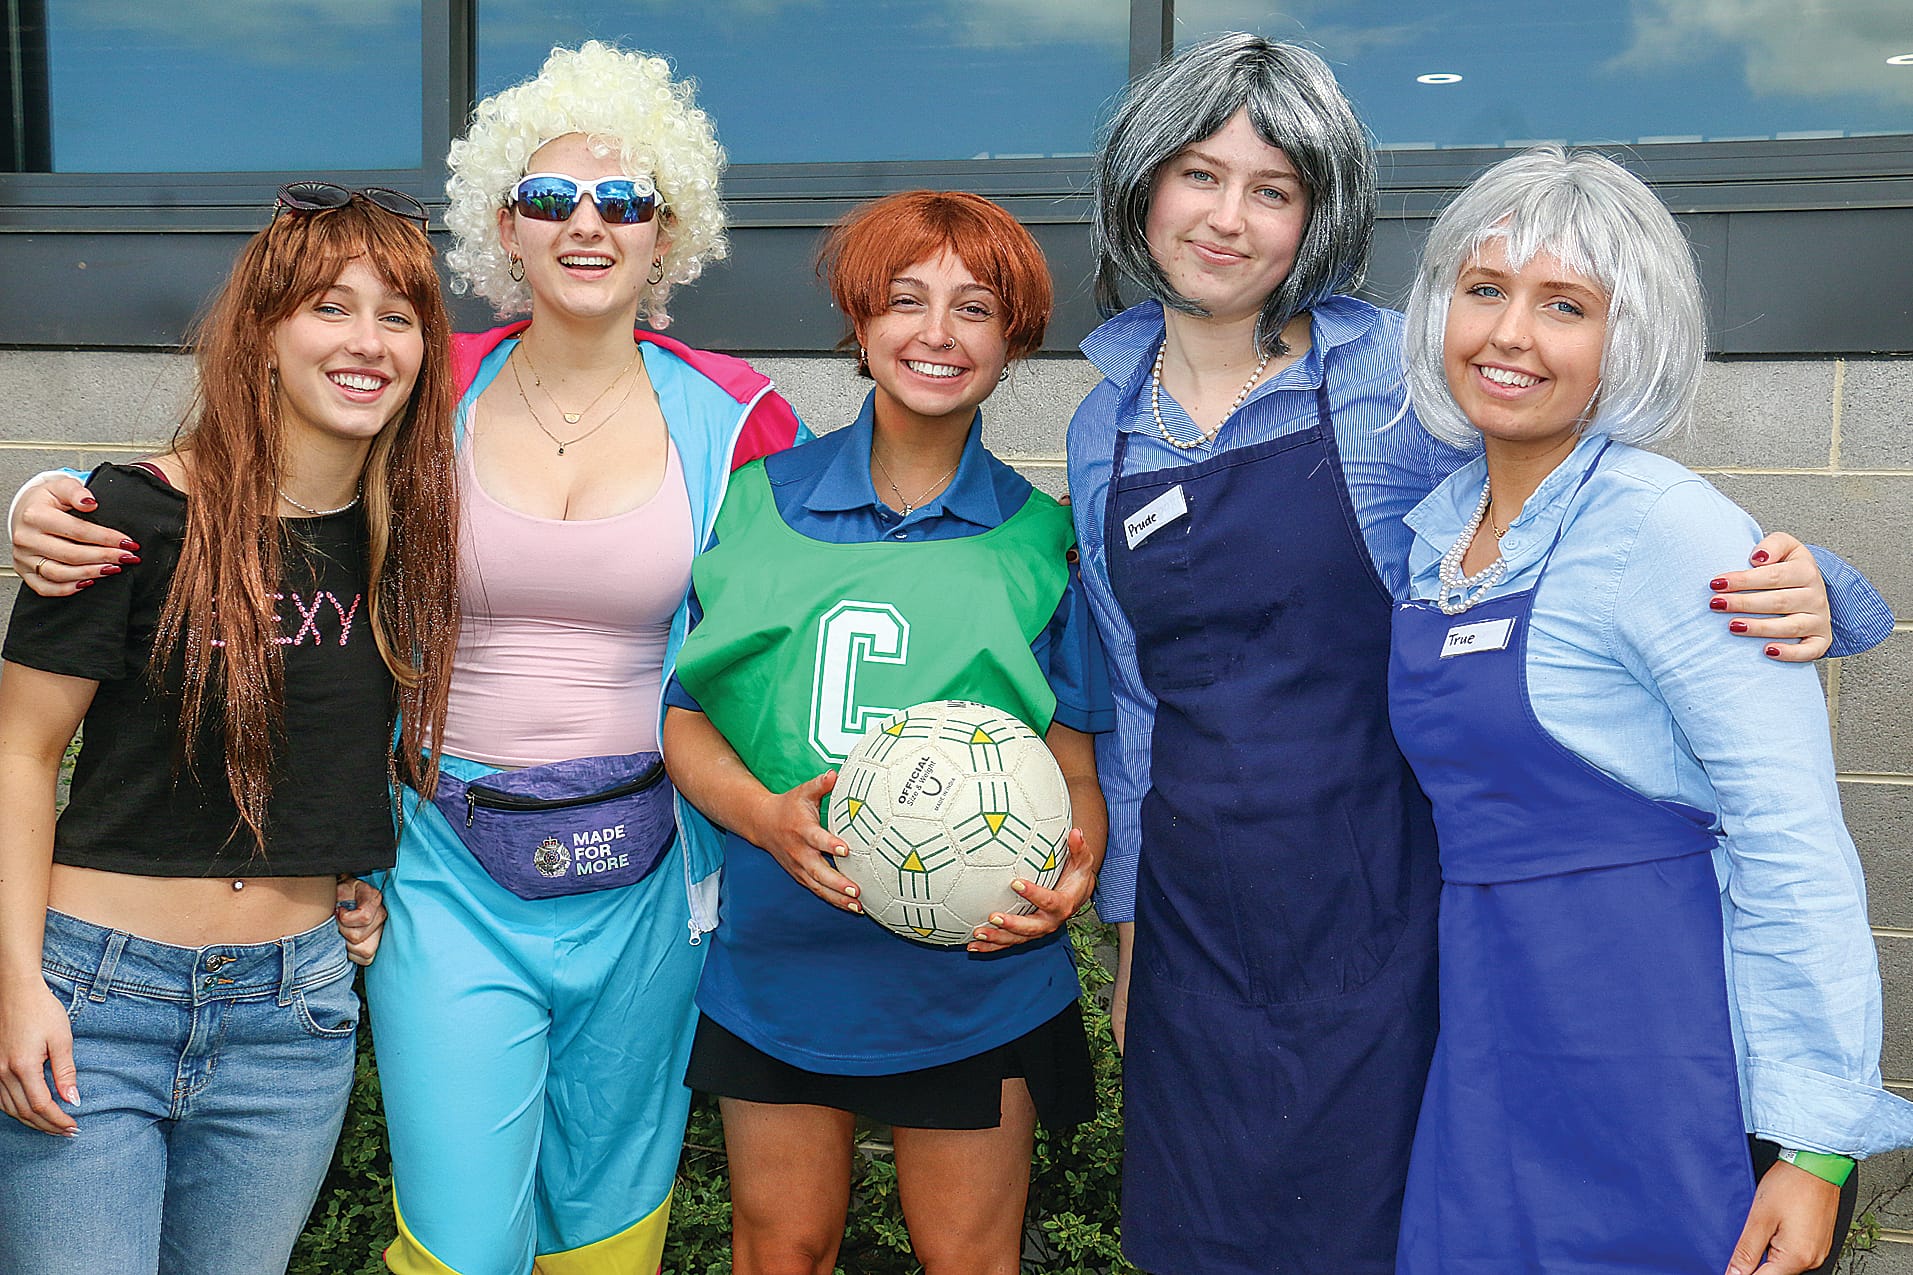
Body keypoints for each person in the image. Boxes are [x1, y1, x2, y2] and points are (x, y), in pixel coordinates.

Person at [1063, 32, 1894, 1275]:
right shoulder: (1097, 423)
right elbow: (1135, 704)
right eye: (1195, 174)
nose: (1226, 218)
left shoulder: (1401, 388)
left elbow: (1595, 518)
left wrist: (1820, 588)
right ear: (1139, 189)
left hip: (1387, 929)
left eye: (1271, 188)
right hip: (1199, 932)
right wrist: (1134, 941)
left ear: (1316, 216)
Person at [7, 42, 807, 1275]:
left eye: (623, 198)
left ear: (670, 229)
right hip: (443, 862)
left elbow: (786, 630)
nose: (586, 222)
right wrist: (60, 498)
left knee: (611, 1222)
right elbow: (245, 479)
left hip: (650, 872)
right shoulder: (431, 390)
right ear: (504, 226)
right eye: (549, 197)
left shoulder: (743, 415)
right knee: (459, 1236)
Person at [1388, 145, 1913, 1275]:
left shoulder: (1663, 528)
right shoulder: (1433, 533)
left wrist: (1815, 1150)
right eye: (1483, 290)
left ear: (1627, 343)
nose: (1509, 335)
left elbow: (1791, 842)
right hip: (1485, 1040)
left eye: (1563, 305)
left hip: (1654, 1055)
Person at [0, 186, 460, 1274]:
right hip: (92, 1004)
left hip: (288, 1019)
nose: (366, 342)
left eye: (397, 316)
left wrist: (342, 873)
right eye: (329, 308)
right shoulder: (128, 516)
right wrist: (15, 984)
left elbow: (334, 745)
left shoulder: (405, 545)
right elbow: (18, 754)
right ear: (261, 333)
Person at [662, 189, 1111, 1275]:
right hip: (782, 964)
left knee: (967, 1256)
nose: (936, 332)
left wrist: (1073, 873)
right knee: (783, 1250)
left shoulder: (1042, 539)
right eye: (904, 300)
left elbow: (1074, 768)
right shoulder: (755, 504)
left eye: (975, 307)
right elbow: (684, 724)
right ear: (859, 326)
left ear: (1014, 341)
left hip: (972, 970)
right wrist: (765, 819)